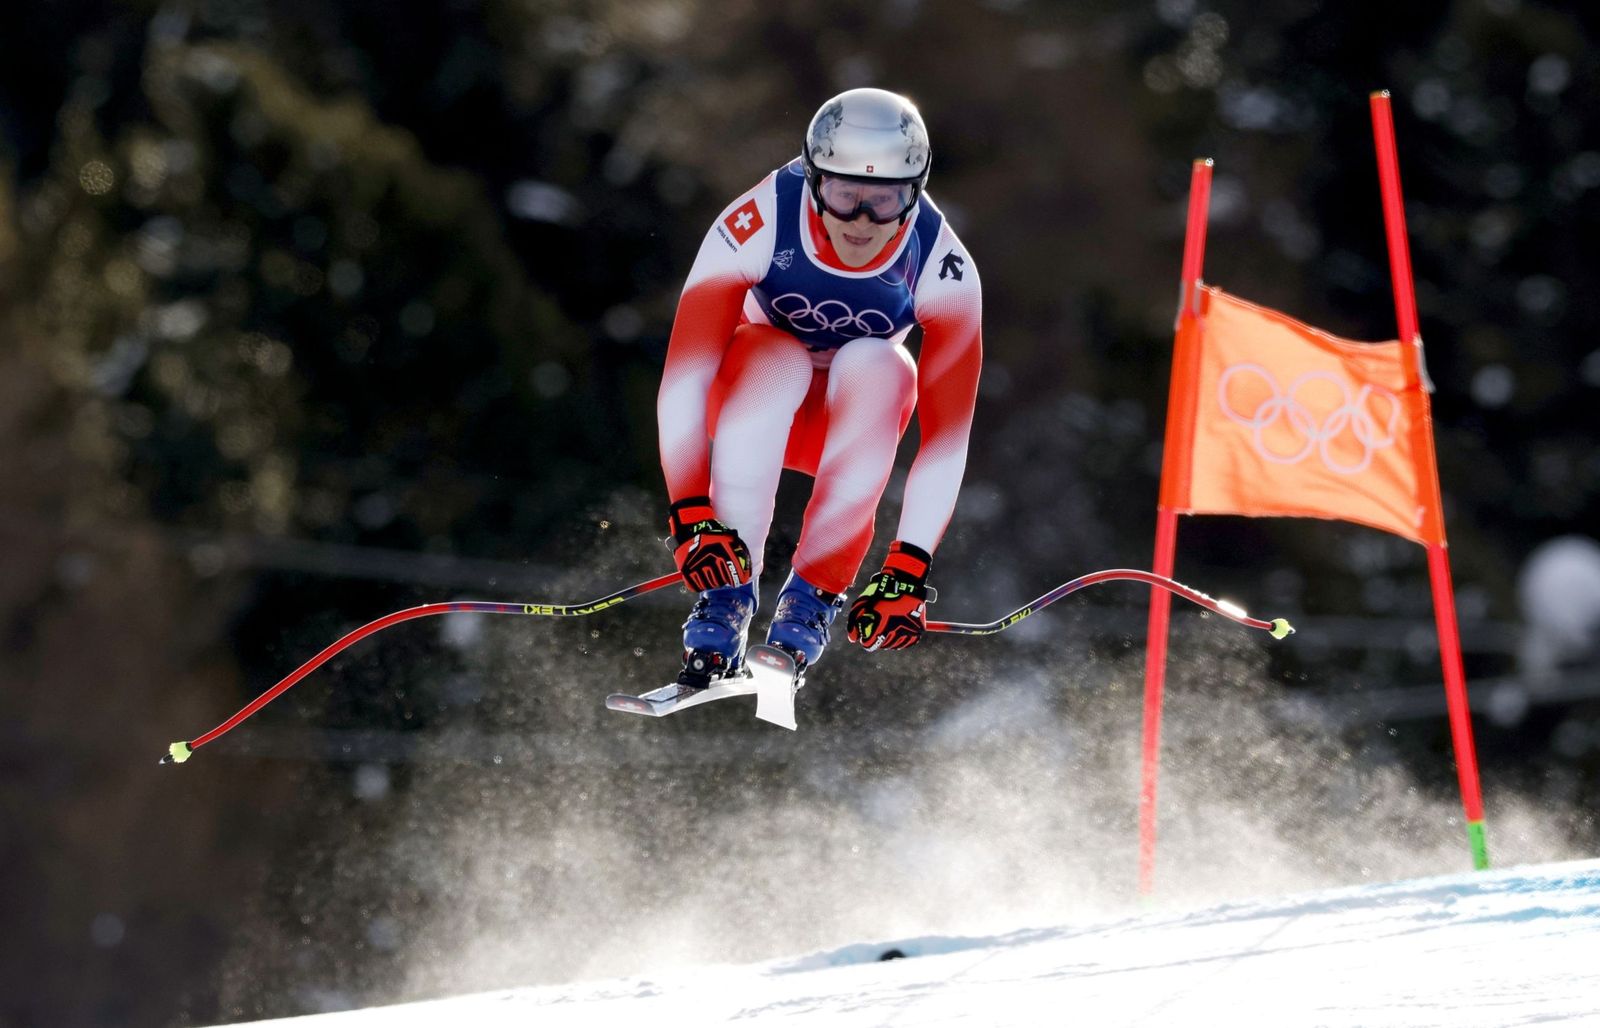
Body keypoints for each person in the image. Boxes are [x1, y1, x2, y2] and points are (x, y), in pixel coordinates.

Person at [656, 87, 983, 685]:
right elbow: (685, 374)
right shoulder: (758, 219)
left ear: (914, 194)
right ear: (812, 180)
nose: (860, 221)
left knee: (882, 366)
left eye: (882, 203)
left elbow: (946, 439)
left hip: (847, 427)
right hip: (750, 411)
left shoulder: (942, 265)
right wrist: (690, 511)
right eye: (842, 195)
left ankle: (809, 605)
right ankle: (724, 601)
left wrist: (907, 568)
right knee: (771, 353)